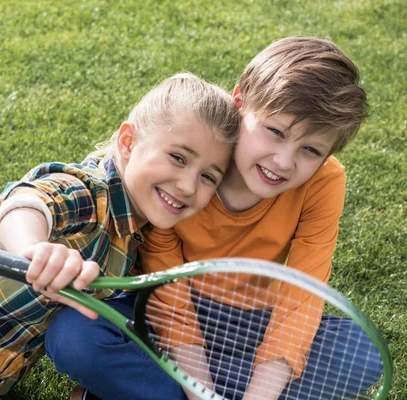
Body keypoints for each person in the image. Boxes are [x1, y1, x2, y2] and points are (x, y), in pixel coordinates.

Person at [46, 37, 384, 400]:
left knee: (361, 350)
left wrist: (260, 395)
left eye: (310, 150)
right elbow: (168, 295)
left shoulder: (325, 181)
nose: (284, 162)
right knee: (75, 335)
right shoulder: (190, 171)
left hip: (251, 323)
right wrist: (198, 391)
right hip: (165, 310)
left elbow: (300, 297)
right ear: (240, 104)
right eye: (275, 132)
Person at [0, 73, 240, 400]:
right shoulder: (90, 191)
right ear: (128, 142)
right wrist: (34, 249)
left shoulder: (141, 245)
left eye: (209, 176)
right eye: (178, 157)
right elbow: (26, 203)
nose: (188, 185)